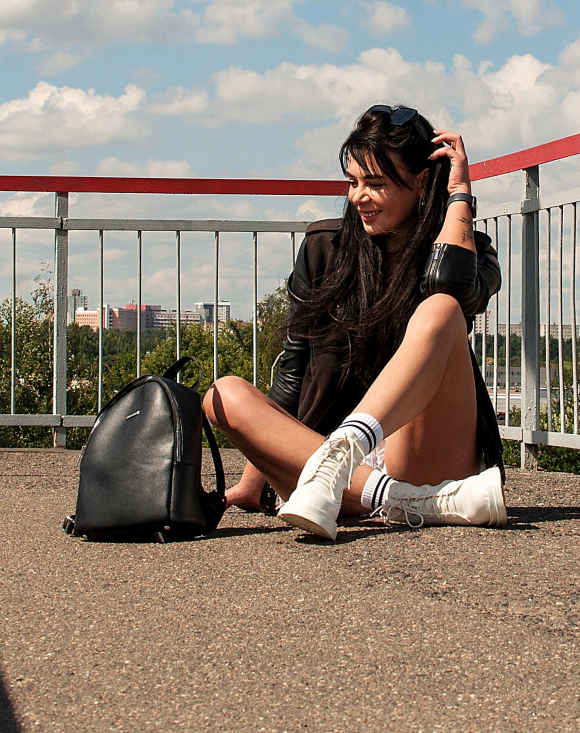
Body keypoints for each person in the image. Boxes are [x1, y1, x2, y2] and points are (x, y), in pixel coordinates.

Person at [203, 104, 506, 540]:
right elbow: (293, 370)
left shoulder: (465, 249)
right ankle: (398, 500)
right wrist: (255, 480)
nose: (358, 196)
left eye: (375, 184)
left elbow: (451, 288)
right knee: (222, 395)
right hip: (324, 466)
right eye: (353, 182)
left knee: (440, 309)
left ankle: (343, 460)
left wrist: (458, 193)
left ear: (421, 181)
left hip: (418, 453)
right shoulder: (324, 248)